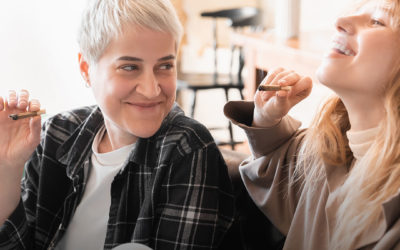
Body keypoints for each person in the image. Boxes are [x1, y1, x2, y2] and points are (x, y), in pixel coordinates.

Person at [0, 0, 235, 249]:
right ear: (86, 69)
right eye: (129, 67)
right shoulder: (56, 133)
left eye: (165, 66)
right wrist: (8, 168)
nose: (151, 89)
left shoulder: (188, 147)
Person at [224, 0, 400, 249]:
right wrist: (267, 119)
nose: (340, 22)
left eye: (377, 21)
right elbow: (278, 174)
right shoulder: (327, 151)